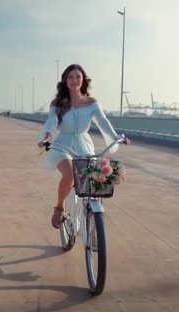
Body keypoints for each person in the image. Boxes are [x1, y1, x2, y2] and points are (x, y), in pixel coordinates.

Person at [37, 64, 129, 229]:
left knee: (88, 181)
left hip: (83, 144)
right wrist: (48, 136)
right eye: (70, 77)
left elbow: (102, 121)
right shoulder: (58, 103)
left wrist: (116, 137)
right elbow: (52, 122)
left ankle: (89, 214)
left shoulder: (92, 103)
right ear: (65, 81)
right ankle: (59, 207)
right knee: (70, 176)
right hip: (62, 144)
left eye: (77, 77)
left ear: (83, 80)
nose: (74, 80)